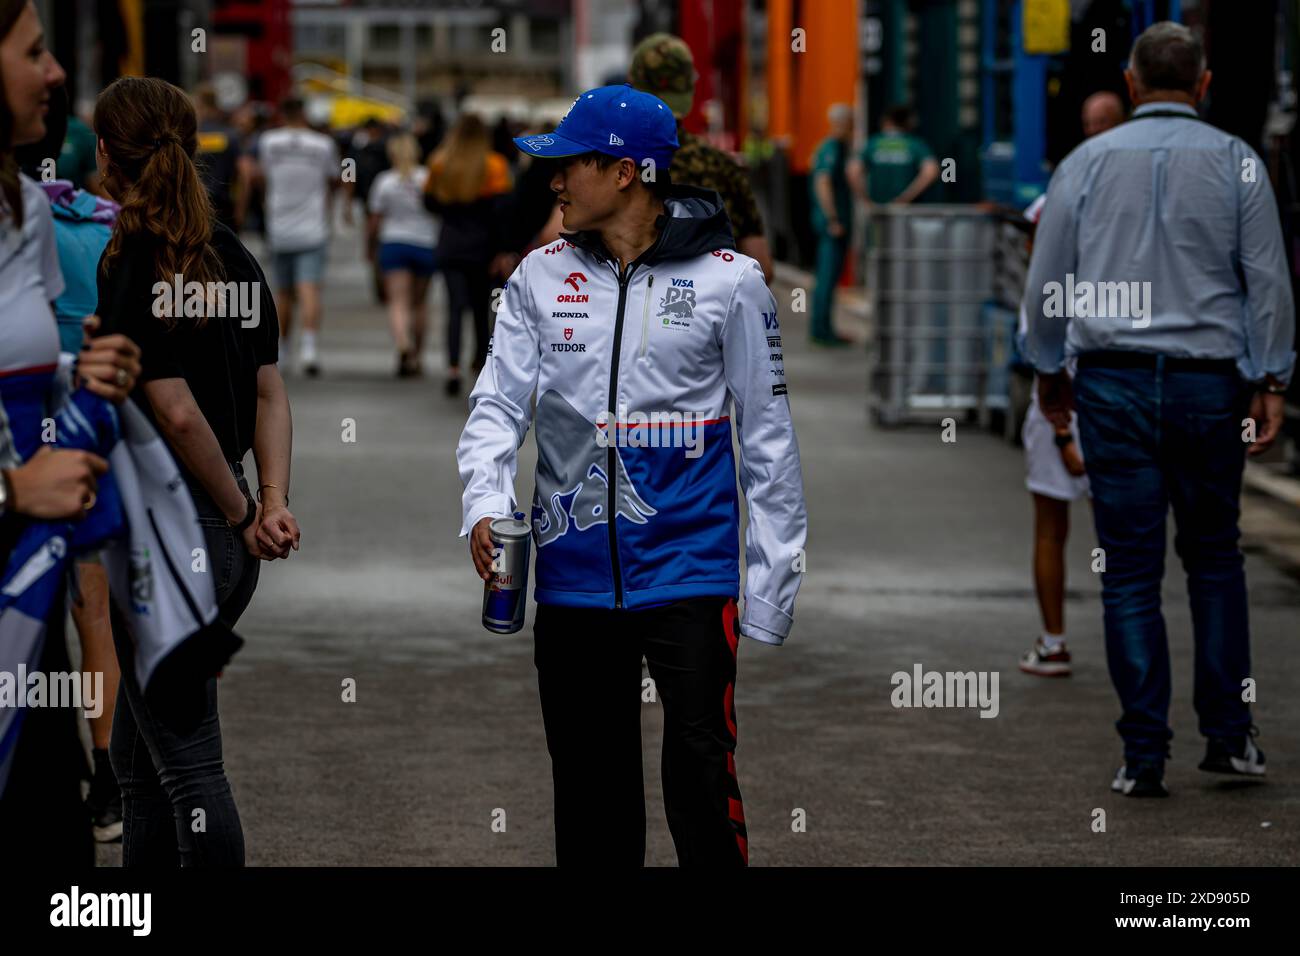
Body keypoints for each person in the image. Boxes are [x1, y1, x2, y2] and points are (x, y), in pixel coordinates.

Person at [457, 84, 808, 866]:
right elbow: (496, 407)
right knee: (591, 795)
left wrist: (772, 583)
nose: (553, 181)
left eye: (570, 164)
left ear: (624, 172)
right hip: (572, 574)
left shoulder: (731, 282)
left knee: (700, 777)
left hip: (690, 570)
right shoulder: (537, 276)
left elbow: (768, 438)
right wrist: (484, 502)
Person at [1024, 22, 1294, 797]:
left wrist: (1048, 369)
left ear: (1131, 84)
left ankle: (1143, 754)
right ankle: (1230, 738)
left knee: (1129, 571)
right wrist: (1271, 380)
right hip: (1210, 386)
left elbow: (1048, 280)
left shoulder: (1084, 165)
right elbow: (1268, 281)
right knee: (1214, 559)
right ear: (1203, 85)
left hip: (1112, 385)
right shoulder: (1239, 163)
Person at [93, 75, 301, 864]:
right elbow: (269, 392)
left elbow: (175, 410)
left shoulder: (131, 261)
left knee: (189, 771)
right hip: (227, 537)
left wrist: (245, 515)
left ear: (106, 155)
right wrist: (267, 501)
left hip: (169, 537)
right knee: (139, 765)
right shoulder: (233, 256)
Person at [0, 0, 140, 864]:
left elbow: (28, 369)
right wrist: (9, 487)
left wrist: (81, 374)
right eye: (33, 52)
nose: (55, 72)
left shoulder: (25, 207)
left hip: (29, 575)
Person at [1017, 90, 1125, 678]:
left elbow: (1040, 339)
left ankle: (1065, 642)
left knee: (1064, 529)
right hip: (1107, 397)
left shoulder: (1068, 198)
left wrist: (1063, 433)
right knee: (1106, 533)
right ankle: (1079, 644)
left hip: (1083, 398)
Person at [627, 32, 774, 282]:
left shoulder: (612, 163)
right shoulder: (722, 167)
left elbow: (559, 237)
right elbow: (762, 269)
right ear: (689, 88)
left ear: (633, 86)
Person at [423, 113, 511, 396]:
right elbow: (501, 210)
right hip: (484, 246)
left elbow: (429, 202)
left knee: (454, 307)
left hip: (451, 242)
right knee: (482, 309)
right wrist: (503, 249)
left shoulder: (440, 163)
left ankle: (452, 367)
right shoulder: (494, 165)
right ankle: (480, 363)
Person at [256, 95, 341, 376]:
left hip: (279, 225)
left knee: (283, 291)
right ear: (305, 114)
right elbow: (337, 177)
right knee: (309, 289)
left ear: (281, 114)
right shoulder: (323, 144)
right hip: (313, 226)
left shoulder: (268, 142)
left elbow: (261, 177)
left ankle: (282, 349)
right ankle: (309, 348)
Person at [367, 132, 438, 377]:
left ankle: (403, 345)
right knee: (420, 304)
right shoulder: (428, 178)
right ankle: (417, 355)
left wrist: (370, 247)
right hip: (425, 244)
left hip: (394, 243)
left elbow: (375, 219)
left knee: (398, 302)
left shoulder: (385, 181)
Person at [808, 103, 855, 346]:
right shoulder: (832, 148)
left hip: (831, 222)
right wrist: (833, 218)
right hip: (832, 224)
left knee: (829, 275)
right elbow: (823, 182)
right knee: (827, 275)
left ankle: (824, 327)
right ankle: (821, 330)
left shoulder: (831, 147)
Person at [850, 104, 939, 207]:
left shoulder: (872, 144)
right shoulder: (915, 144)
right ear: (908, 123)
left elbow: (853, 171)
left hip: (878, 207)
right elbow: (931, 171)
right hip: (907, 208)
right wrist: (905, 198)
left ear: (886, 121)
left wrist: (866, 201)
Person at [193, 83, 243, 231]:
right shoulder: (230, 135)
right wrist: (240, 210)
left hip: (196, 205)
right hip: (224, 207)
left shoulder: (191, 136)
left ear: (200, 105)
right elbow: (243, 173)